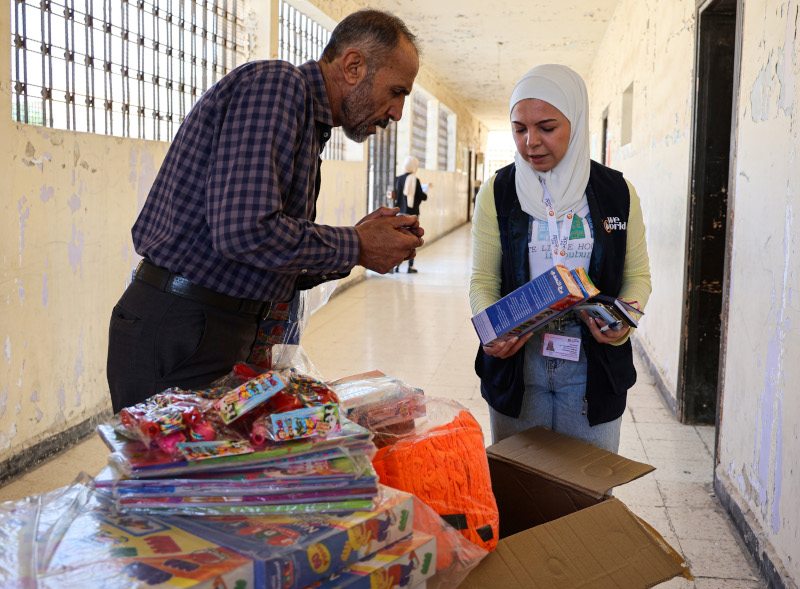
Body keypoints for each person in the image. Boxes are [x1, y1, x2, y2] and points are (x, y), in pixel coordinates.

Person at [107, 9, 424, 413]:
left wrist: (360, 240)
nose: (396, 112)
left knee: (218, 473)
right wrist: (355, 244)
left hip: (215, 328)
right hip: (183, 329)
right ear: (354, 66)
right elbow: (245, 232)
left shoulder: (309, 122)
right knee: (176, 474)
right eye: (396, 91)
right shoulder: (278, 85)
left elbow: (268, 252)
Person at [470, 64, 651, 453]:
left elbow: (638, 276)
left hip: (594, 363)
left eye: (547, 128)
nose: (531, 142)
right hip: (520, 361)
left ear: (577, 121)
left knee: (588, 491)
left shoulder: (617, 193)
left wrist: (624, 323)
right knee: (521, 490)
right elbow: (482, 282)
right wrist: (492, 331)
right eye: (520, 129)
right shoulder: (498, 192)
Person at [394, 156, 429, 273]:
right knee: (412, 239)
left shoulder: (398, 179)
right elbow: (422, 196)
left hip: (399, 214)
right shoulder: (415, 180)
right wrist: (425, 192)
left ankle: (396, 265)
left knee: (398, 240)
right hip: (412, 215)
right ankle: (410, 266)